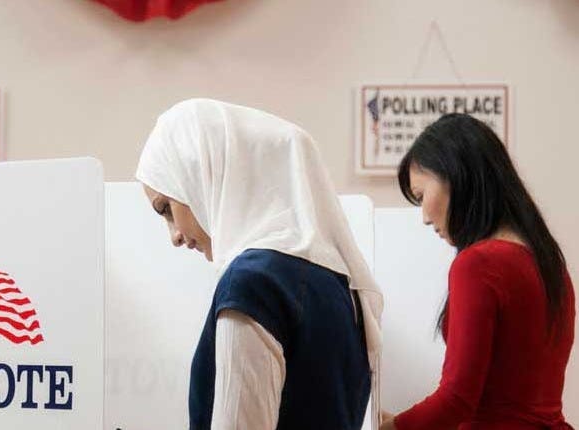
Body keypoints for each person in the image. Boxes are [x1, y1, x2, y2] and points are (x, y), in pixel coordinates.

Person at [136, 98, 384, 429]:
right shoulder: (342, 286)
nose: (175, 236)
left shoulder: (252, 283)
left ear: (202, 172)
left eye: (166, 208)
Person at [381, 113, 575, 430]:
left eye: (420, 196)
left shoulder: (479, 264)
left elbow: (456, 400)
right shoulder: (549, 262)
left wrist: (388, 428)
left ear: (455, 177)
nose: (425, 219)